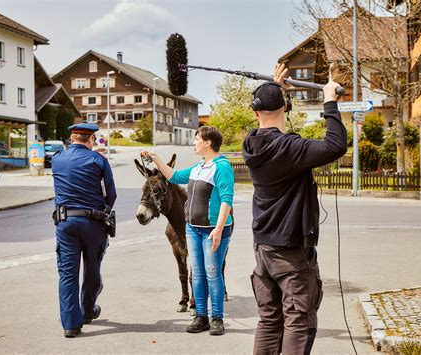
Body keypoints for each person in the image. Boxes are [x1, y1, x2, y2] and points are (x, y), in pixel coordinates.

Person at [242, 63, 347, 354]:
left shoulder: (251, 143)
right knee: (298, 320)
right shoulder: (290, 148)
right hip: (290, 251)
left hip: (263, 248)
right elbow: (336, 145)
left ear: (255, 112)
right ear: (286, 107)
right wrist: (329, 101)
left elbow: (271, 122)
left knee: (269, 320)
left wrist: (278, 92)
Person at [141, 126, 234, 336]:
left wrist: (219, 229)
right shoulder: (199, 167)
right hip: (193, 229)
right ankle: (201, 317)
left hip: (212, 230)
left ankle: (217, 318)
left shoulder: (222, 167)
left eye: (197, 139)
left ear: (208, 143)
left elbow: (227, 199)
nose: (194, 143)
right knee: (198, 274)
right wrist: (155, 157)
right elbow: (173, 176)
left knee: (213, 272)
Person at [51, 123, 117, 338]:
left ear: (72, 139)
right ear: (91, 140)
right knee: (92, 269)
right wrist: (102, 211)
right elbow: (111, 194)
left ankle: (71, 325)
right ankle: (88, 310)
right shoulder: (98, 160)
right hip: (93, 223)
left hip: (66, 223)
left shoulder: (57, 159)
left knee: (67, 274)